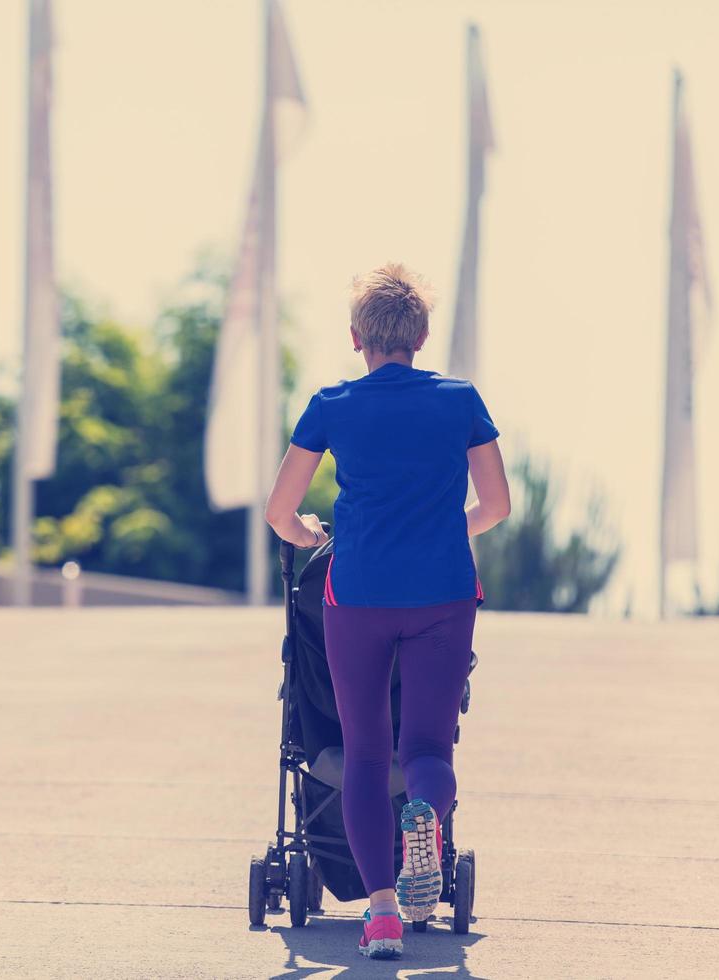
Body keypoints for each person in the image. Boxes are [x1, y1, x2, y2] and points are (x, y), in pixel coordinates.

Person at [264, 264, 510, 960]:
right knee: (426, 748)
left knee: (366, 753)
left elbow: (279, 513)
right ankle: (423, 820)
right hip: (442, 593)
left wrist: (313, 536)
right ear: (422, 335)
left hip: (358, 594)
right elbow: (495, 507)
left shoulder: (330, 403)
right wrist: (438, 530)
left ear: (355, 337)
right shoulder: (460, 400)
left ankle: (378, 917)